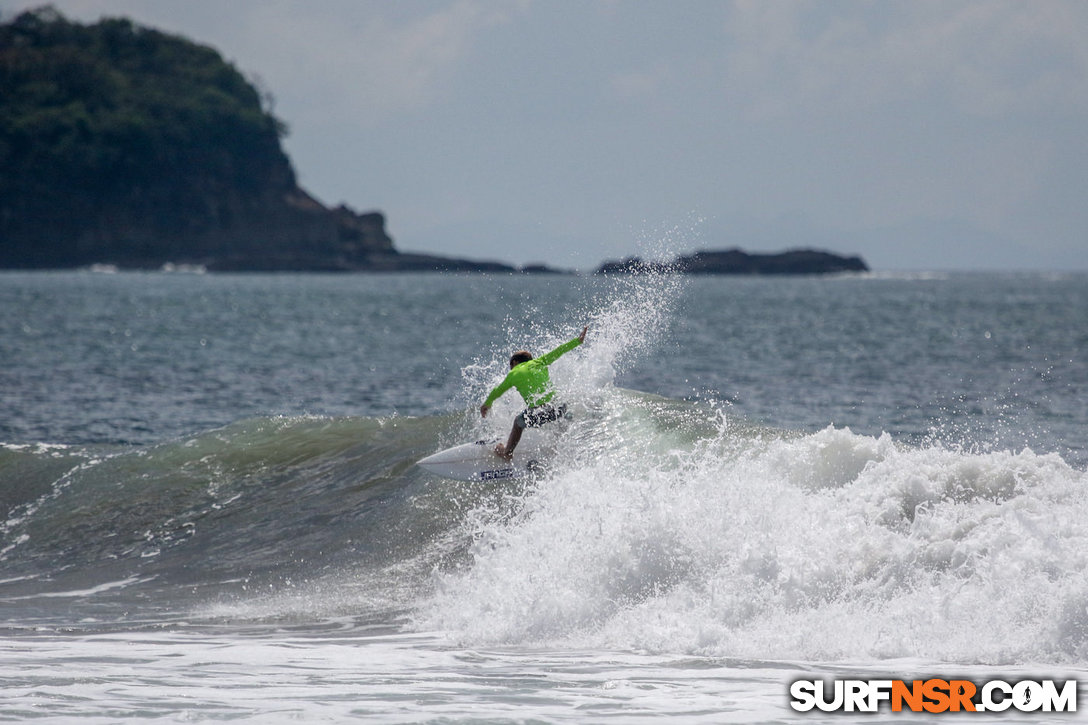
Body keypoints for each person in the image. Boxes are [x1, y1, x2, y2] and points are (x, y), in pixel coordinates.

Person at [480, 325, 588, 460]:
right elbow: (559, 351)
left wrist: (487, 404)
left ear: (514, 362)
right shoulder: (540, 362)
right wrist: (578, 341)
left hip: (542, 411)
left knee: (518, 422)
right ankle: (559, 450)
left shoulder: (514, 373)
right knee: (557, 416)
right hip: (559, 407)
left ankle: (507, 453)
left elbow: (498, 390)